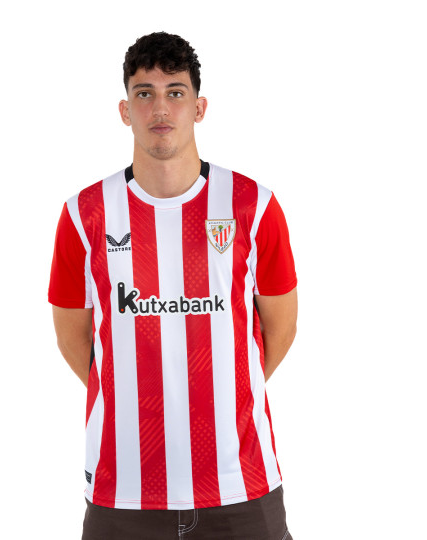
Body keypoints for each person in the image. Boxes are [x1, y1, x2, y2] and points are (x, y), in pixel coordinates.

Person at [48, 31, 297, 540]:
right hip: (124, 494)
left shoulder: (253, 206)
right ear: (125, 110)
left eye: (175, 92)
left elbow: (280, 329)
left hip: (241, 487)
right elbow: (74, 339)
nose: (160, 108)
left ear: (199, 107)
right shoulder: (85, 215)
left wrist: (226, 391)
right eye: (145, 93)